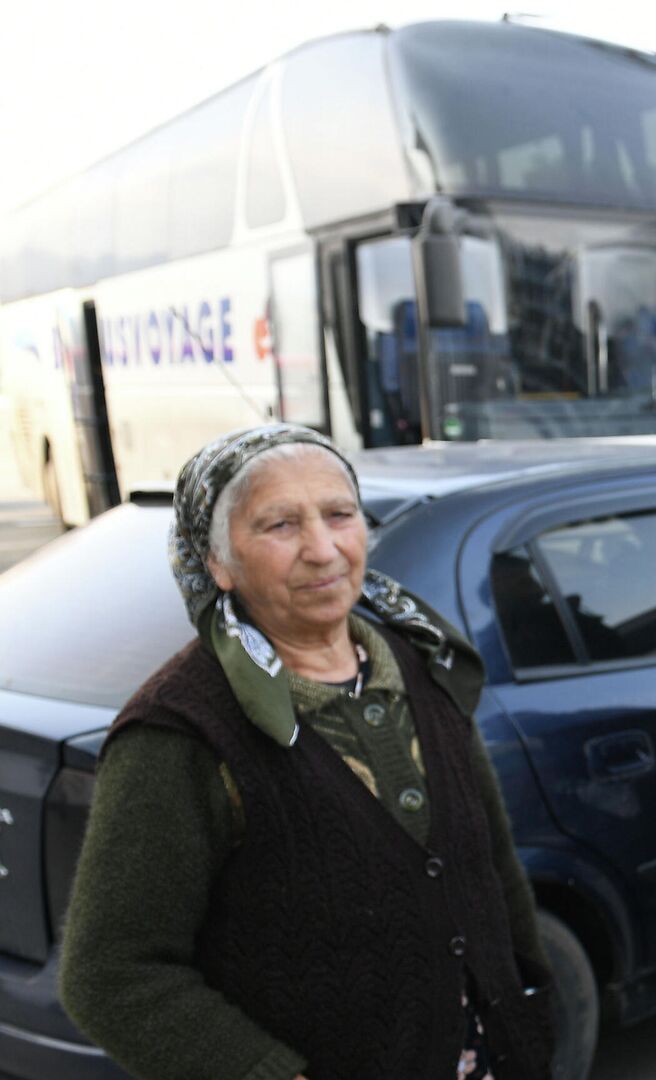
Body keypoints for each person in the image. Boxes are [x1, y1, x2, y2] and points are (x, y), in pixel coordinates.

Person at [59, 424, 553, 1080]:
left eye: (339, 515)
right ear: (216, 562)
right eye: (280, 525)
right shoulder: (181, 734)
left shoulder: (422, 665)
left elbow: (490, 864)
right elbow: (110, 974)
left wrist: (531, 1001)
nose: (322, 550)